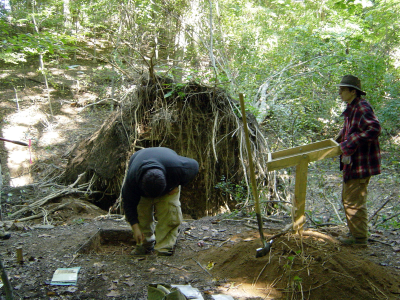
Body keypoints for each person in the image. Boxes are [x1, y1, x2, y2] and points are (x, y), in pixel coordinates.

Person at [121, 147, 199, 256]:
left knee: (170, 215)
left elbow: (195, 166)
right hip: (142, 177)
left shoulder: (177, 168)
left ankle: (164, 247)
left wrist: (177, 184)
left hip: (169, 186)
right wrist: (135, 228)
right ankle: (144, 243)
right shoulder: (131, 181)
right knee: (141, 215)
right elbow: (129, 205)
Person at [335, 75, 381, 246]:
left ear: (352, 91)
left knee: (353, 202)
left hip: (361, 163)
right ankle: (355, 232)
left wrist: (349, 142)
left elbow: (374, 128)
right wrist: (339, 138)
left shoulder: (361, 106)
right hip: (353, 163)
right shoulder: (352, 107)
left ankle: (359, 239)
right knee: (349, 199)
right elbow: (352, 127)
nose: (339, 93)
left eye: (342, 90)